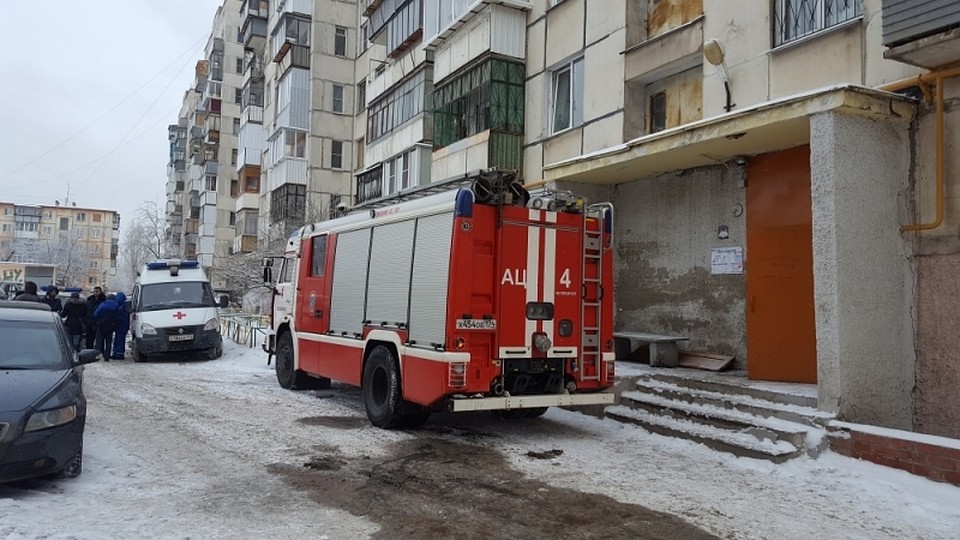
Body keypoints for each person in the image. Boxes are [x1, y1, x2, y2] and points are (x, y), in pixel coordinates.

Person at [93, 293, 120, 360]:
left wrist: (98, 320)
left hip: (101, 325)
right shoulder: (116, 306)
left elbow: (95, 314)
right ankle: (107, 356)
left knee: (99, 341)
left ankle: (97, 356)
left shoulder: (103, 305)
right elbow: (118, 316)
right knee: (109, 342)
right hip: (111, 325)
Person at [111, 292, 130, 360]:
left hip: (120, 325)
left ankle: (118, 354)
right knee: (119, 339)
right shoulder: (125, 306)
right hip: (123, 325)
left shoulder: (119, 307)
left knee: (119, 339)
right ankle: (118, 353)